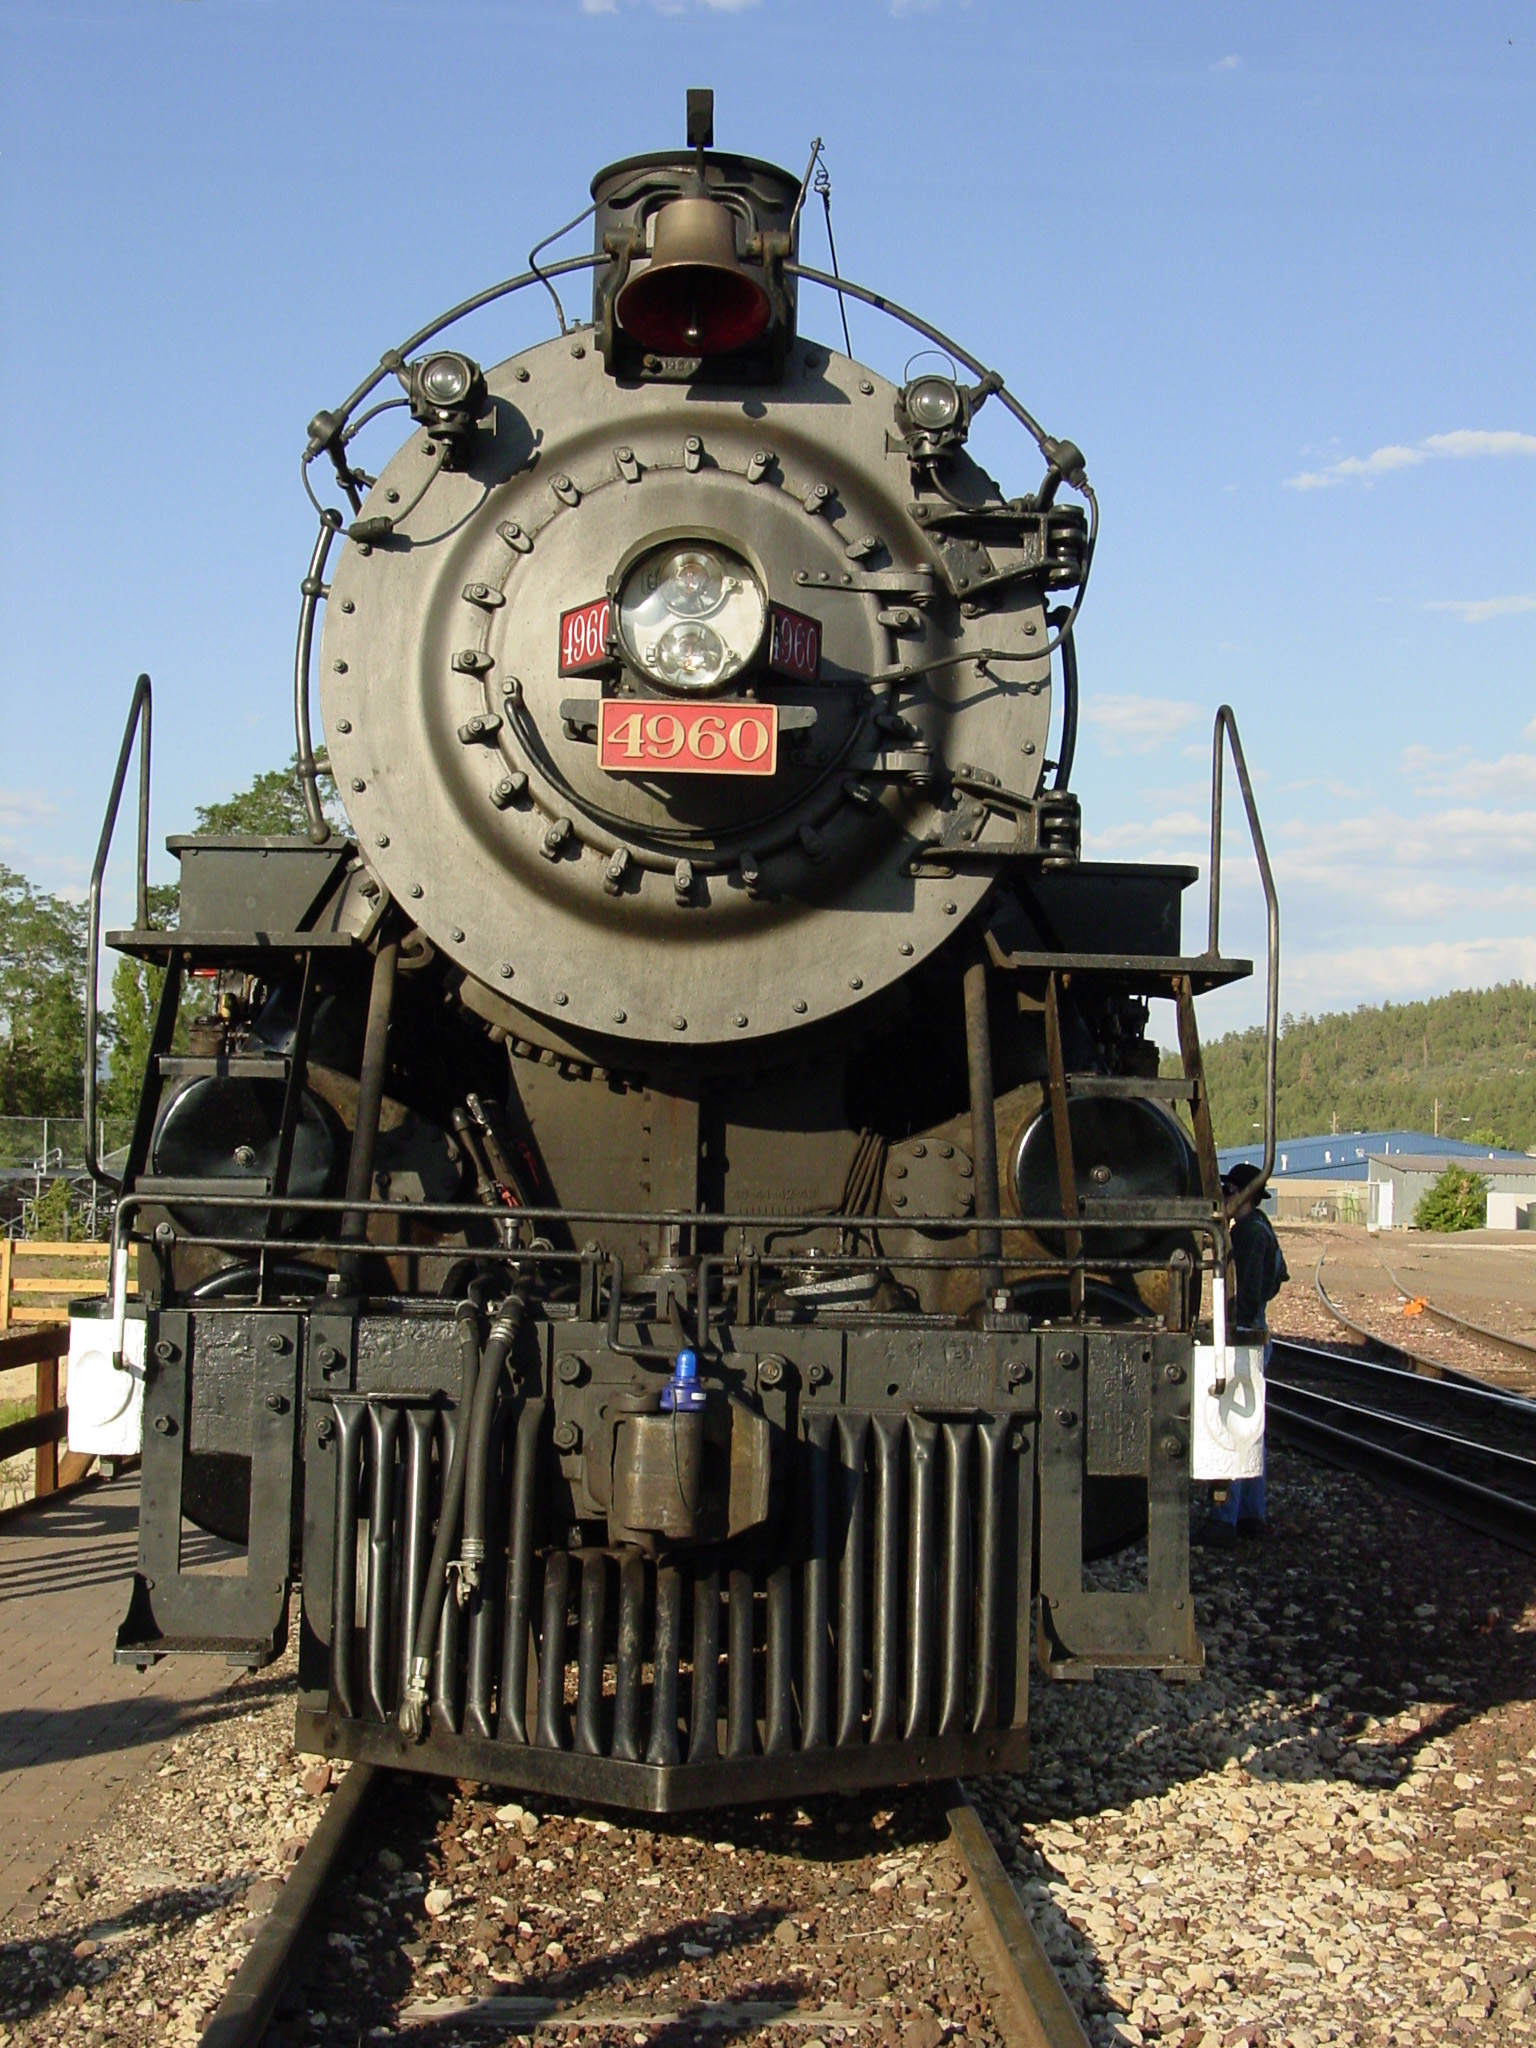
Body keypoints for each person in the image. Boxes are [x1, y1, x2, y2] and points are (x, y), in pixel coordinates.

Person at [1197, 1164, 1288, 1546]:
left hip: (1244, 1333)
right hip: (1255, 1330)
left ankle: (1224, 1520)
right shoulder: (1260, 1227)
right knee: (1251, 1430)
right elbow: (1279, 1278)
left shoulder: (1249, 1235)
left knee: (1230, 1423)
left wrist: (1233, 1328)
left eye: (1229, 1190)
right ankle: (1251, 1515)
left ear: (1243, 1194)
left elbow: (1247, 1294)